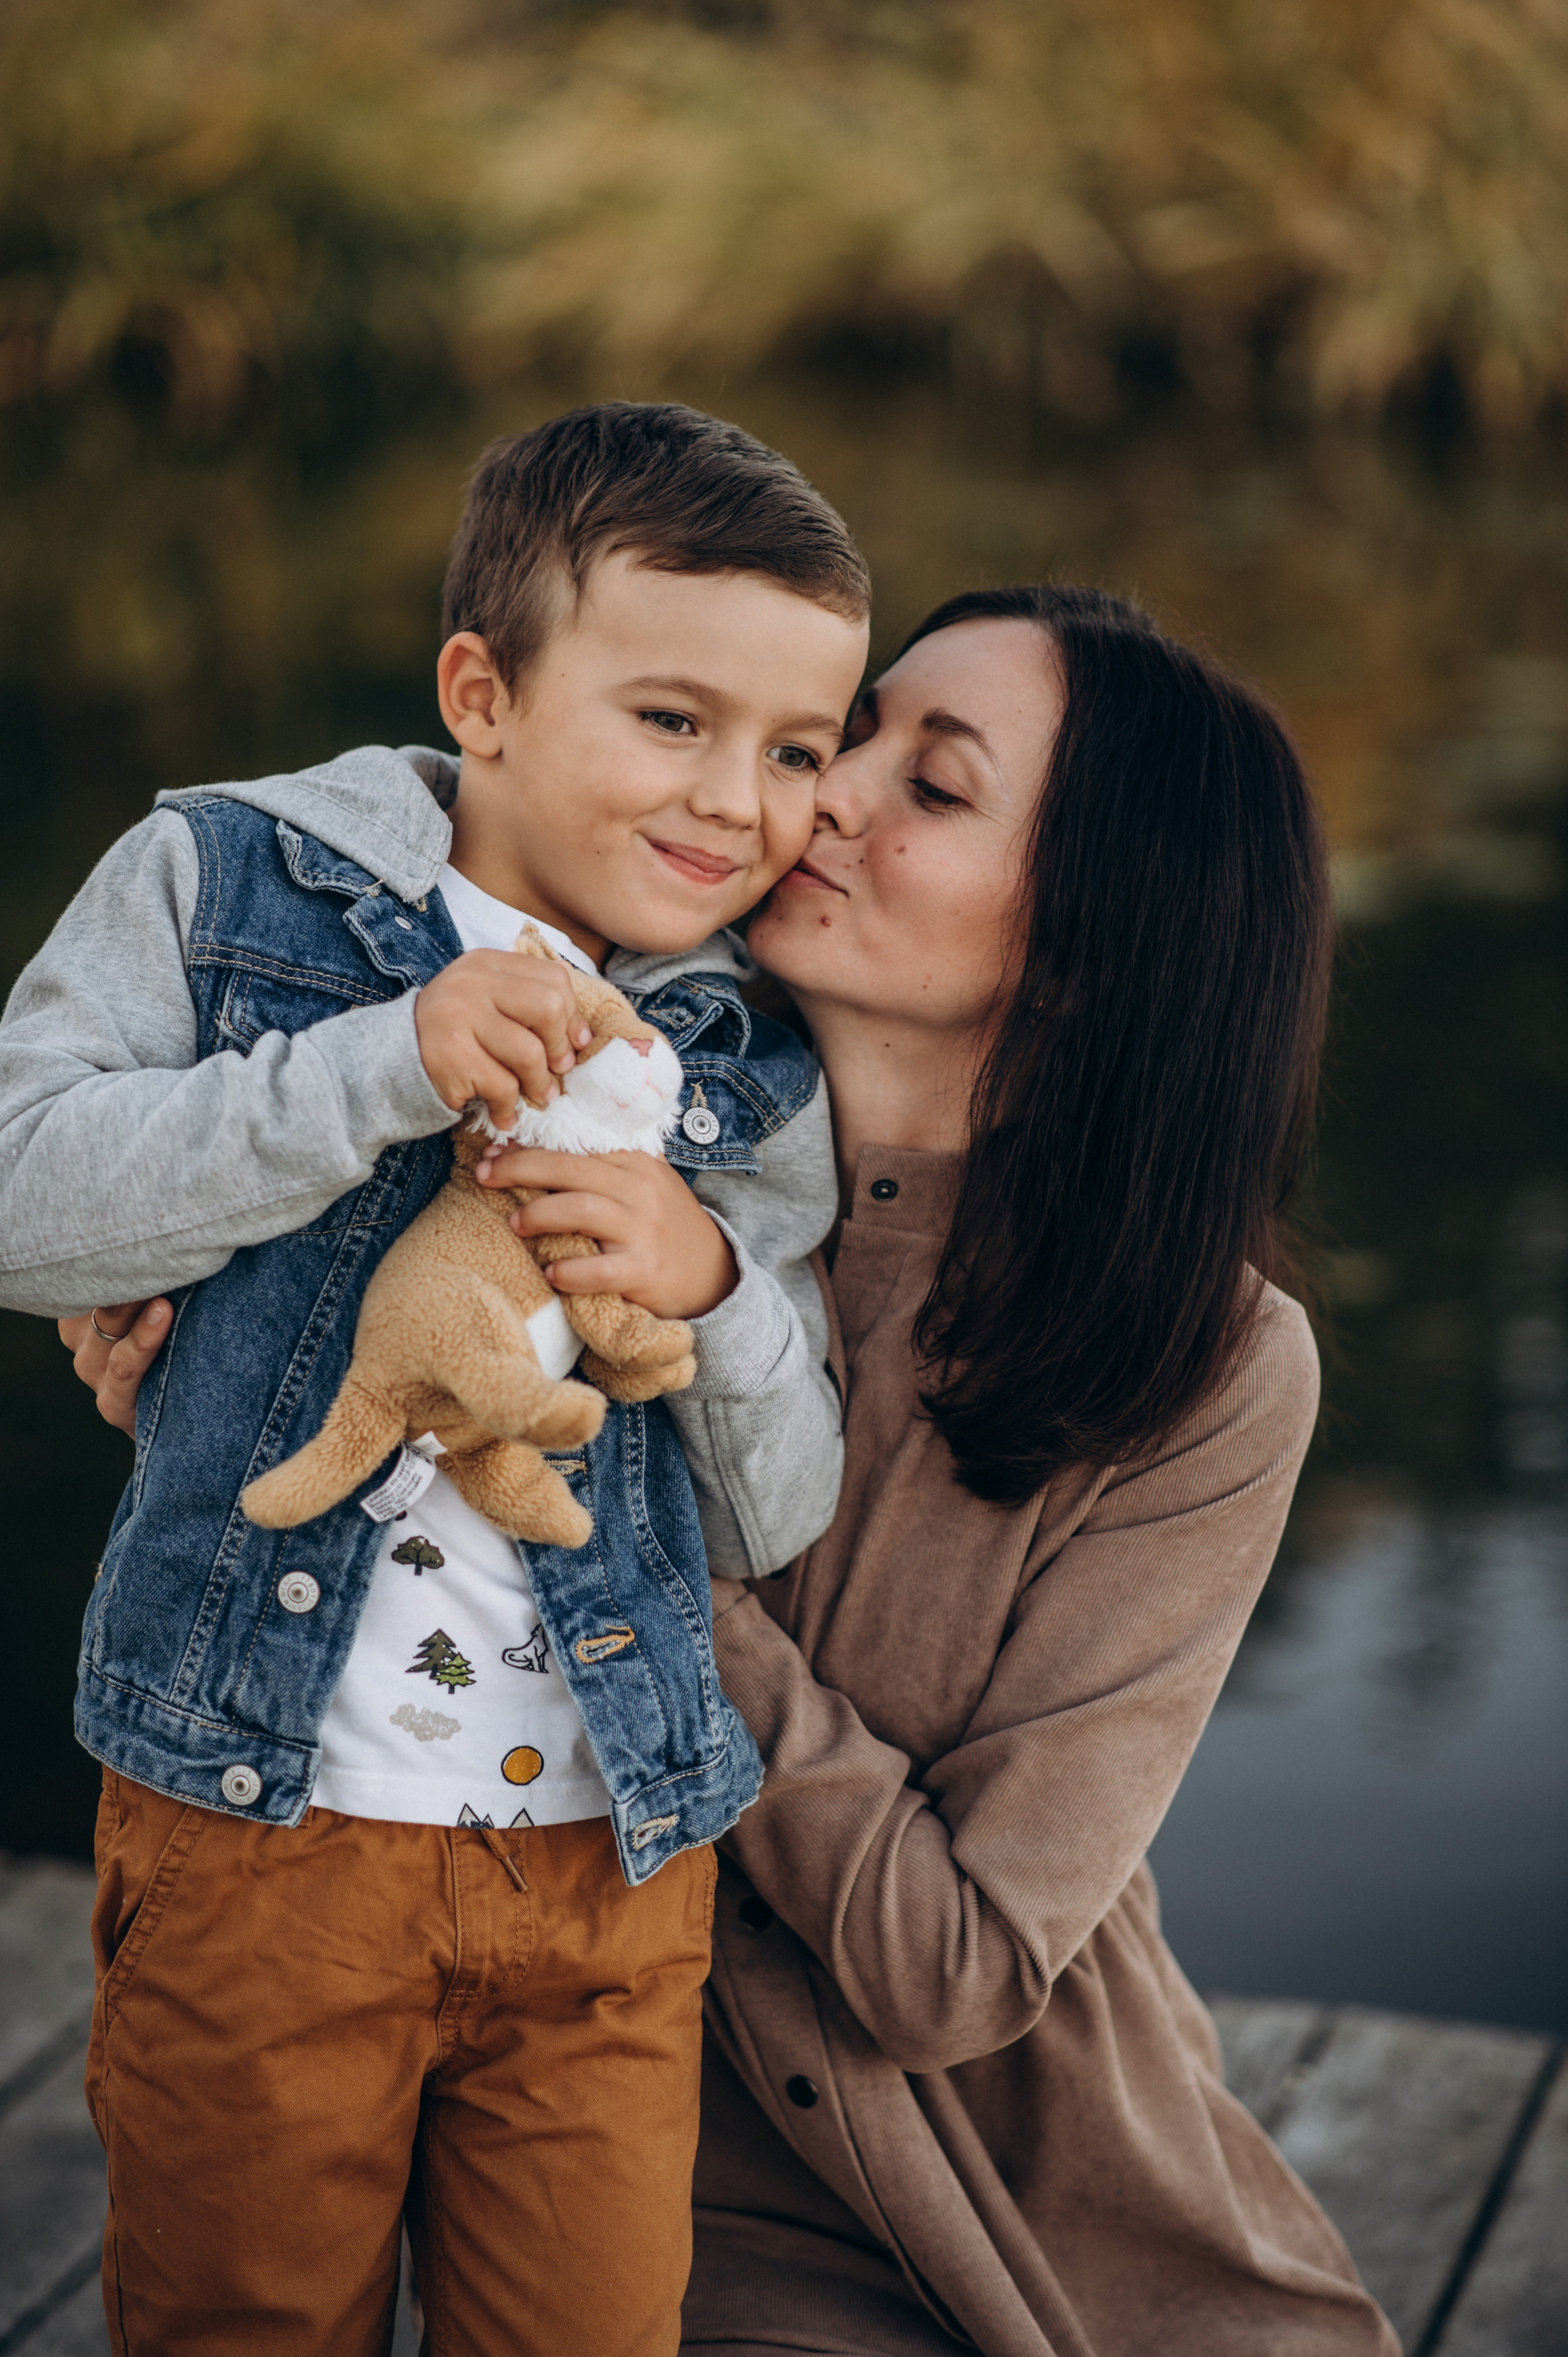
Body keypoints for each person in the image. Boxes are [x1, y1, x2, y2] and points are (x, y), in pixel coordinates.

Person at [67, 581, 1401, 2356]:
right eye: (853, 736)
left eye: (934, 786)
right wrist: (208, 1368)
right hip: (635, 2187)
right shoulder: (546, 1106)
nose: (822, 793)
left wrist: (583, 1560)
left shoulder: (1210, 1368)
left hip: (1021, 2219)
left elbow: (957, 1965)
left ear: (1088, 947)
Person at [0, 402, 870, 2356]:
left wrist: (712, 1281)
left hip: (609, 1862)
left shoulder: (753, 1057)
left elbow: (783, 1505)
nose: (741, 802)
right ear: (483, 693)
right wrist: (383, 1064)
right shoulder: (231, 886)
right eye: (672, 720)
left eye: (799, 749)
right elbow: (19, 1203)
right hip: (262, 1824)